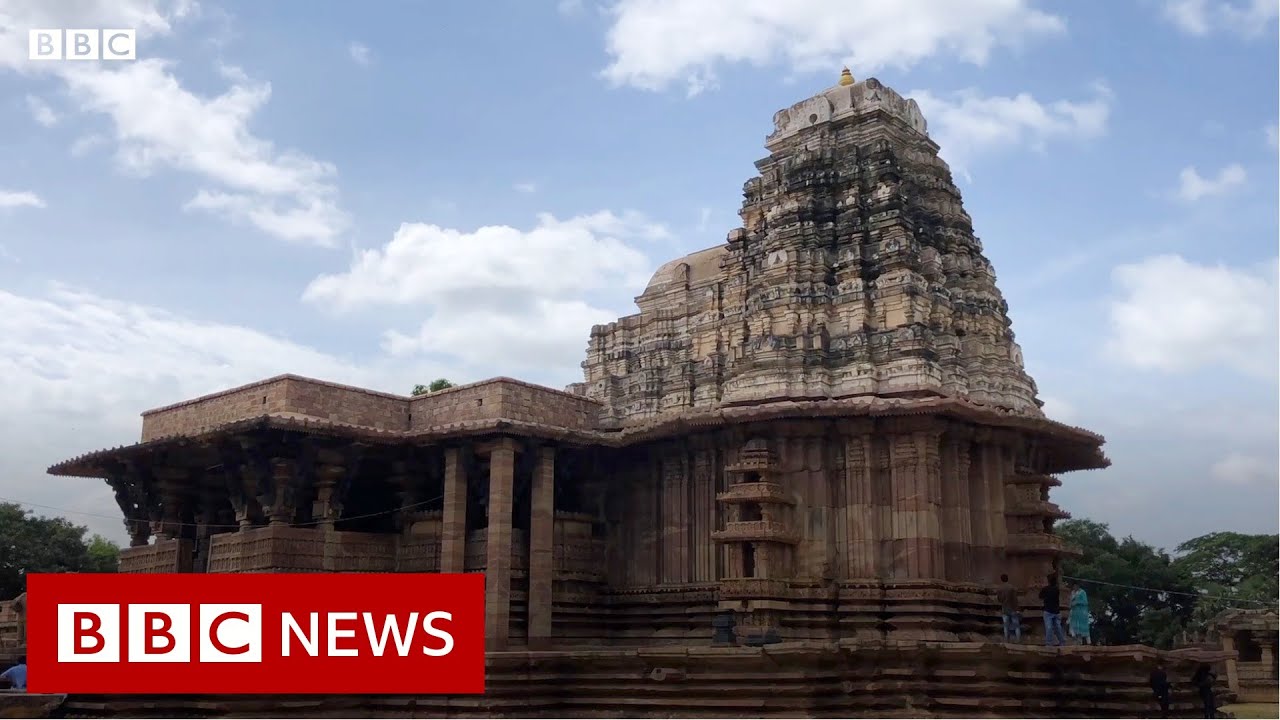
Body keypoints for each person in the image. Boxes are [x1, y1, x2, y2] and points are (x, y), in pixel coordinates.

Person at [1039, 573, 1066, 647]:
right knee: (1058, 628)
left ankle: (1049, 644)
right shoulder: (1057, 589)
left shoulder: (1045, 589)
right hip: (1056, 611)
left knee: (1049, 628)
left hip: (1048, 611)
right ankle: (1062, 642)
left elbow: (1040, 596)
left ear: (1048, 581)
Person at [997, 574, 1021, 643]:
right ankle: (1018, 640)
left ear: (1001, 579)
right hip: (1013, 608)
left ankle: (1007, 640)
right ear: (1007, 579)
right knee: (1016, 625)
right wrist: (1017, 609)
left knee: (1006, 626)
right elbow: (1015, 599)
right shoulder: (1012, 587)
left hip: (1004, 609)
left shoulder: (999, 588)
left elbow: (999, 599)